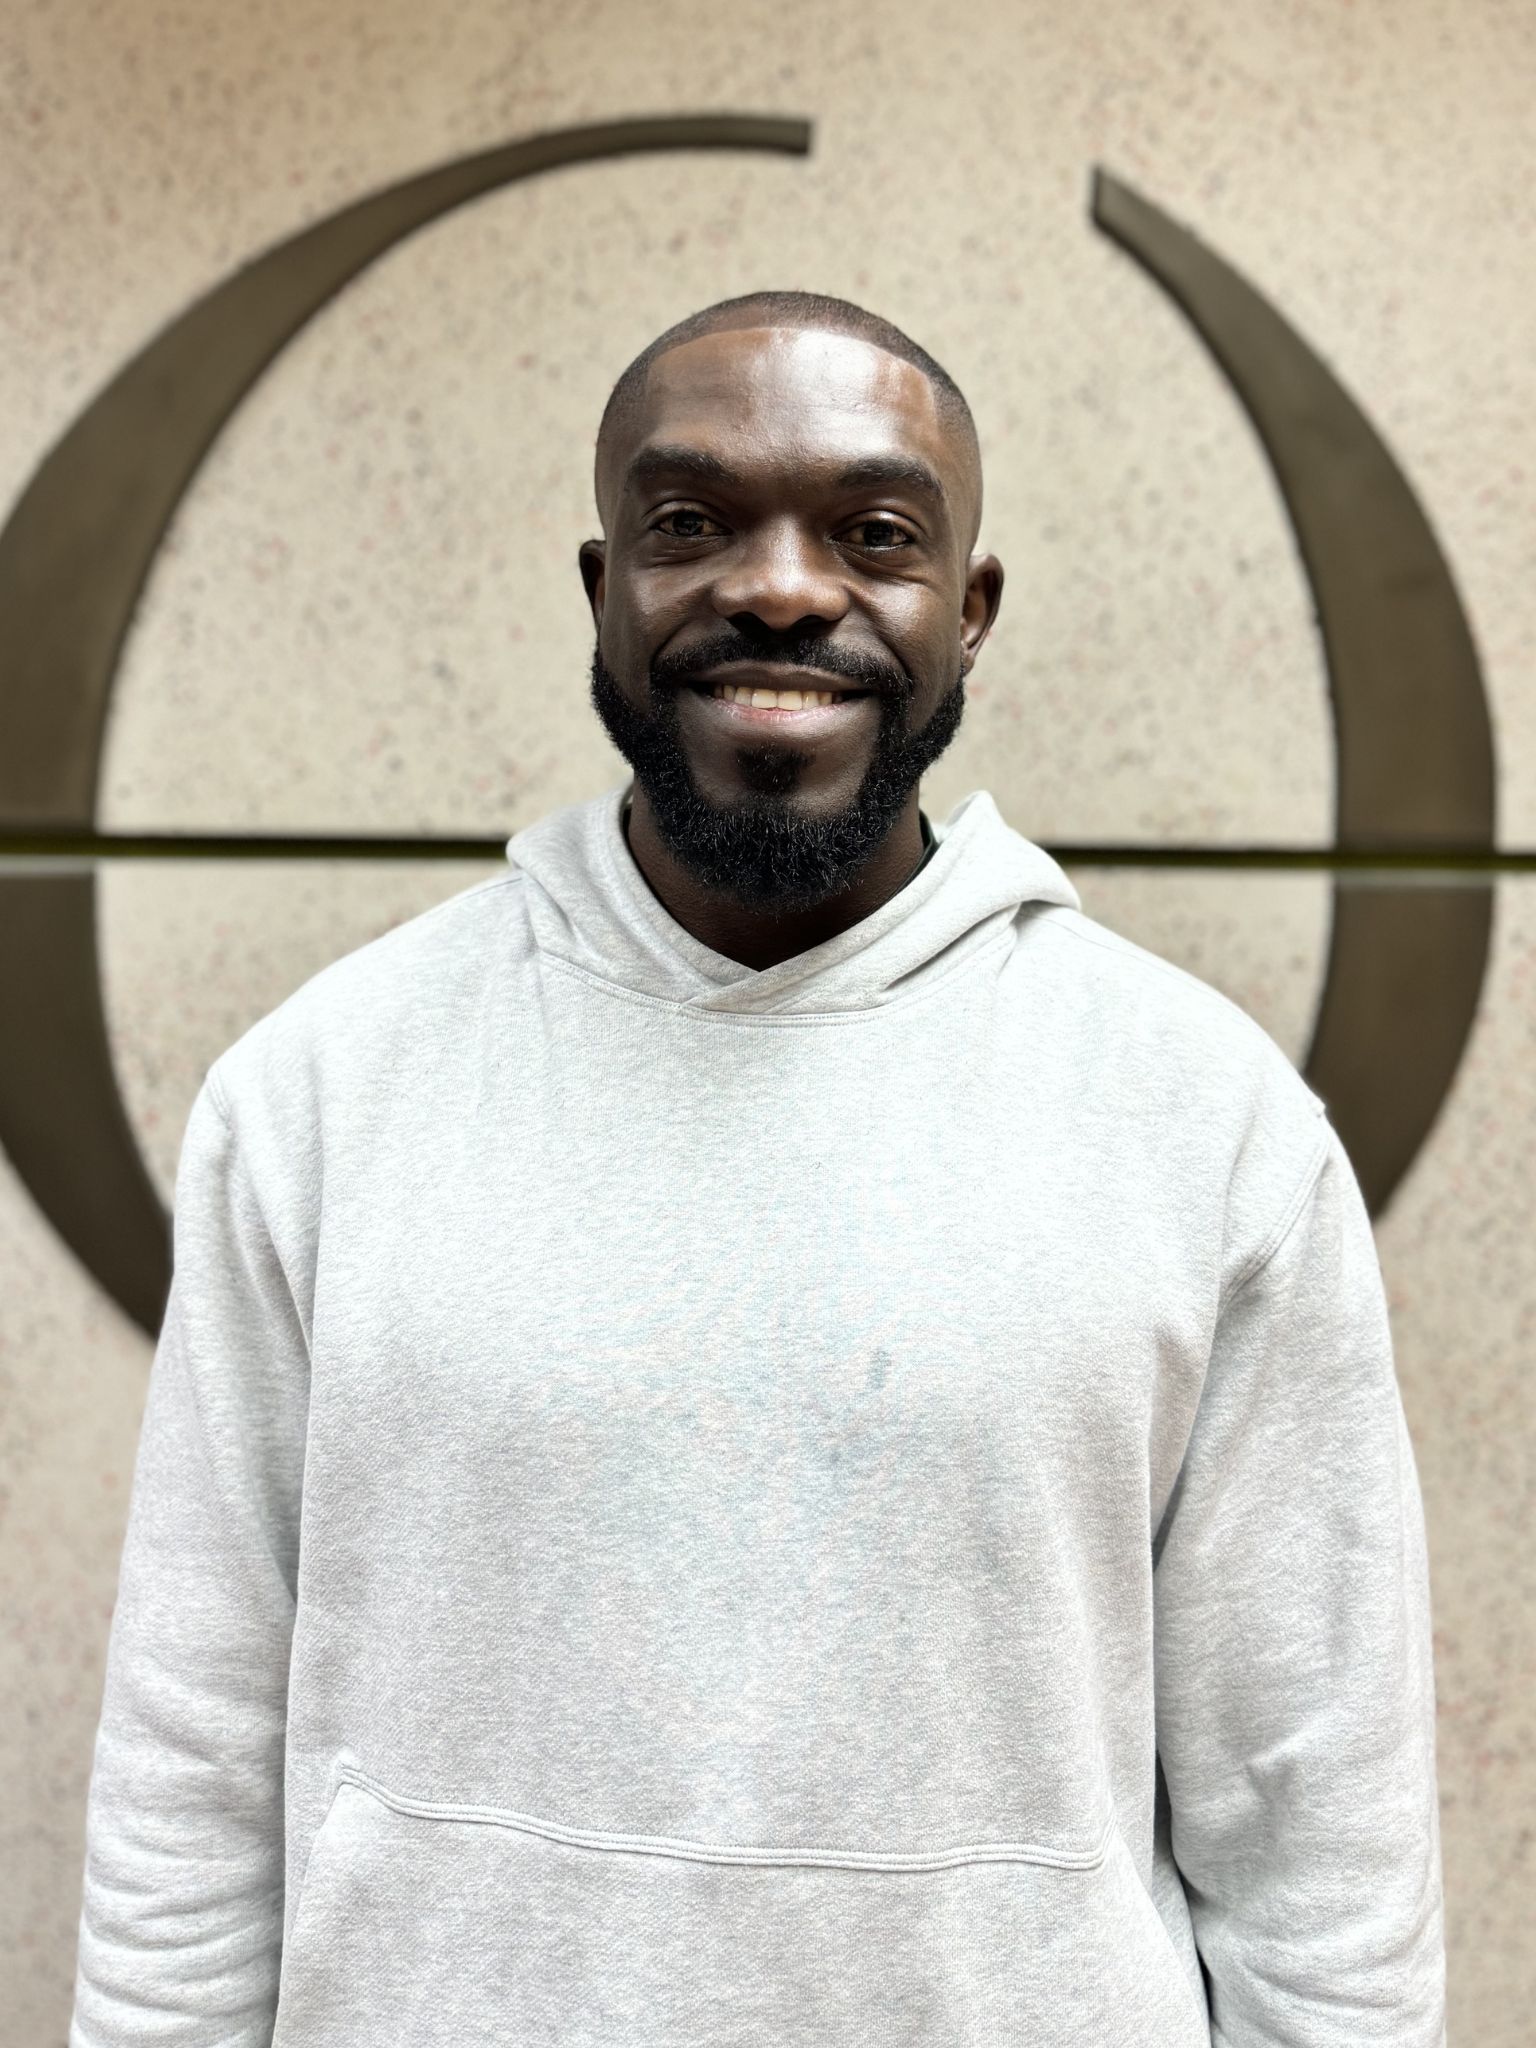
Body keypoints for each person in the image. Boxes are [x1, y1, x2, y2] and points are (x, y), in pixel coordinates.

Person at [71, 291, 1446, 2046]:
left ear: (971, 609)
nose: (782, 588)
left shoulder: (1205, 1120)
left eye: (874, 534)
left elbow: (1321, 1832)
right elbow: (190, 1781)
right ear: (603, 592)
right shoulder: (322, 1092)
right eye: (691, 522)